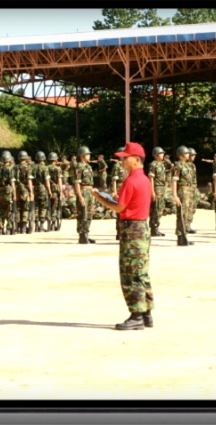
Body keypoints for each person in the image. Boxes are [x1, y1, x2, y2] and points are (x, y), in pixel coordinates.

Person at [91, 142, 153, 331]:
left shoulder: (131, 181)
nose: (122, 162)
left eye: (125, 158)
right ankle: (146, 312)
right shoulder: (144, 180)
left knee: (130, 273)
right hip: (142, 228)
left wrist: (99, 197)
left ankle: (136, 315)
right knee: (141, 271)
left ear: (136, 160)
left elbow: (119, 207)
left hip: (131, 229)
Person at [171, 145, 195, 246]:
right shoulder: (178, 165)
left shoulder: (189, 165)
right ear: (180, 156)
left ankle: (184, 235)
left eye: (188, 153)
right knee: (182, 214)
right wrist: (175, 195)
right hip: (183, 192)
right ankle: (181, 236)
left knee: (187, 213)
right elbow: (174, 181)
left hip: (189, 192)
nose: (188, 154)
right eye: (186, 153)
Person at [74, 146, 95, 244]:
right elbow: (77, 183)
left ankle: (86, 233)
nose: (89, 156)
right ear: (82, 156)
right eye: (87, 154)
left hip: (90, 192)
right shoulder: (79, 167)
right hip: (83, 191)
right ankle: (82, 235)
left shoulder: (89, 167)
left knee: (90, 213)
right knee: (82, 214)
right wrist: (80, 196)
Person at [14, 151, 34, 234]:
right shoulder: (28, 168)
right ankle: (23, 227)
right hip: (25, 190)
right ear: (26, 158)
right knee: (25, 208)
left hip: (17, 189)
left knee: (18, 208)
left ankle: (18, 226)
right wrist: (31, 191)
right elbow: (29, 180)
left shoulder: (15, 167)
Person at [148, 146, 166, 237]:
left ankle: (156, 227)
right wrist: (152, 191)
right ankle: (153, 228)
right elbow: (151, 178)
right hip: (156, 188)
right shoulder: (153, 164)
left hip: (162, 188)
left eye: (163, 153)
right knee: (156, 209)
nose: (163, 155)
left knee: (160, 208)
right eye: (161, 153)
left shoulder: (162, 164)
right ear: (155, 155)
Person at [32, 151, 52, 232]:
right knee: (43, 207)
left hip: (34, 188)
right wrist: (49, 190)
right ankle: (41, 225)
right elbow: (47, 181)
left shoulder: (32, 167)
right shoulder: (45, 168)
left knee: (36, 207)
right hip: (42, 189)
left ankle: (36, 225)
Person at [47, 152, 63, 230]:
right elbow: (59, 181)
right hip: (55, 189)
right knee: (54, 206)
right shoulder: (58, 168)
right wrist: (61, 191)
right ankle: (53, 223)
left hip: (46, 189)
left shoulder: (46, 168)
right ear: (56, 159)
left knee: (47, 206)